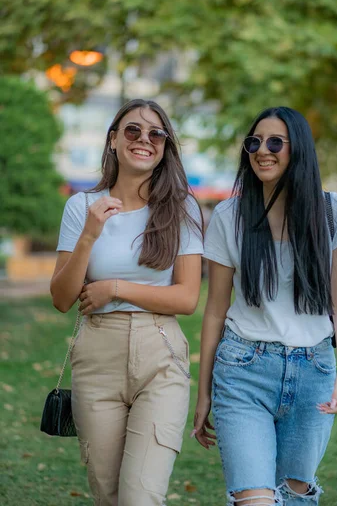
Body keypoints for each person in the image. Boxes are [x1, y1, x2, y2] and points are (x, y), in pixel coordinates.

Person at [192, 107, 337, 505]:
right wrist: (203, 394)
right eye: (254, 142)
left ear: (297, 149)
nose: (261, 151)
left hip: (313, 373)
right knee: (255, 499)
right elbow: (215, 310)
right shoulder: (229, 216)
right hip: (242, 372)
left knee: (295, 497)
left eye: (274, 142)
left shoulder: (333, 212)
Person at [50, 99, 203, 506]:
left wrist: (115, 288)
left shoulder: (181, 207)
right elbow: (62, 298)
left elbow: (187, 298)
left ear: (165, 146)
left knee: (141, 497)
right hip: (97, 357)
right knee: (109, 495)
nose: (145, 140)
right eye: (133, 130)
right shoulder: (82, 206)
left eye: (157, 133)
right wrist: (89, 234)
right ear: (114, 139)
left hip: (160, 354)